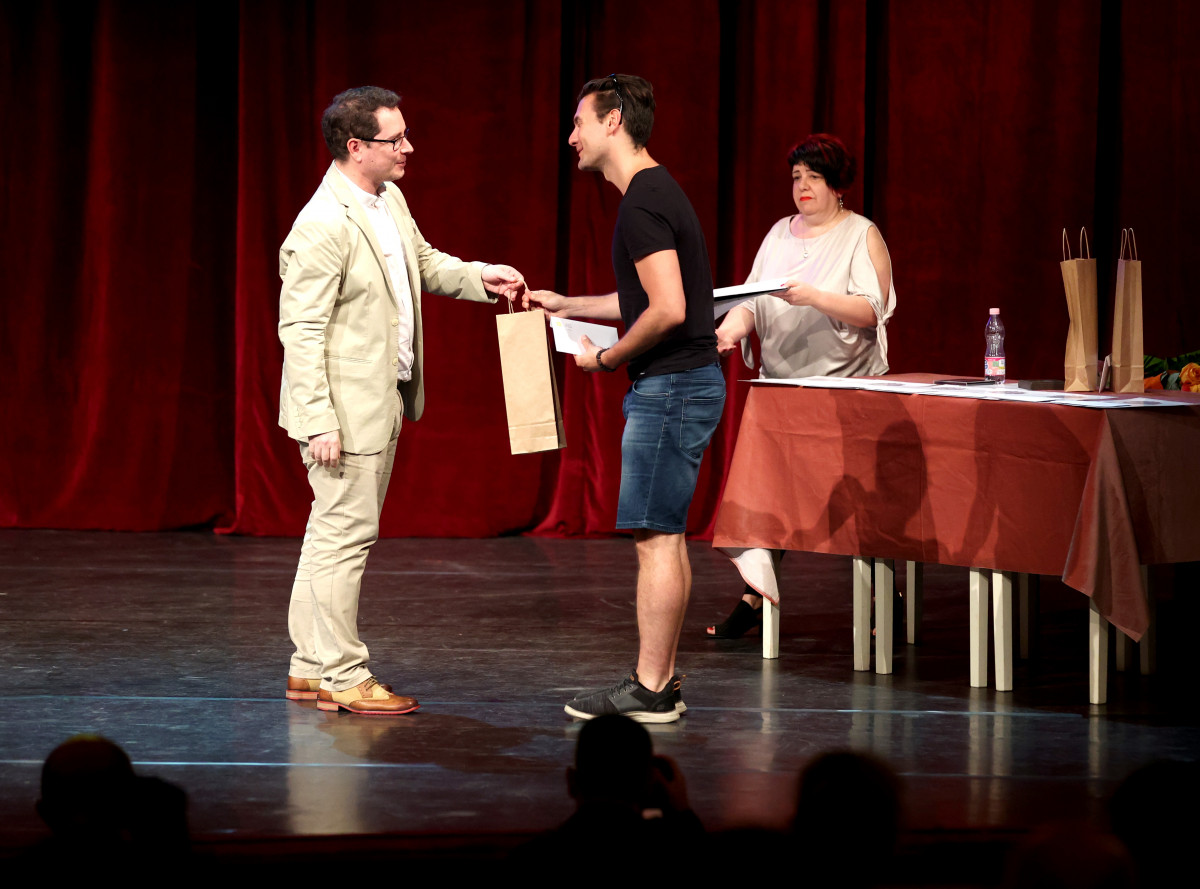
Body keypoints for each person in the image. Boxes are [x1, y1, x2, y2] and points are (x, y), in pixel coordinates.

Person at [279, 86, 526, 715]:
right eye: (396, 139)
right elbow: (300, 330)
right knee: (345, 538)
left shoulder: (387, 198)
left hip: (379, 398)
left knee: (330, 534)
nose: (408, 147)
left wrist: (479, 275)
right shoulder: (323, 223)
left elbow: (421, 263)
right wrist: (318, 420)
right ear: (356, 147)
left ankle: (310, 666)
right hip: (343, 412)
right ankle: (343, 674)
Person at [526, 74, 725, 723]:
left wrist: (605, 359)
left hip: (670, 386)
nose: (571, 137)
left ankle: (651, 686)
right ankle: (658, 681)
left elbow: (667, 310)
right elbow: (645, 298)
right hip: (682, 383)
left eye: (579, 122)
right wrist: (569, 304)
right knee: (664, 534)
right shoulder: (654, 192)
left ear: (613, 122)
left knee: (656, 539)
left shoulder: (642, 201)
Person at [706, 133, 896, 638]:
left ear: (837, 185)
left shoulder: (861, 234)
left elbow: (871, 310)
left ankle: (883, 596)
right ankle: (756, 596)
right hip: (782, 391)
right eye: (796, 177)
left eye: (814, 177)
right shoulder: (778, 235)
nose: (803, 186)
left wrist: (813, 296)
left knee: (858, 503)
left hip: (845, 391)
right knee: (769, 497)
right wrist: (729, 331)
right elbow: (751, 302)